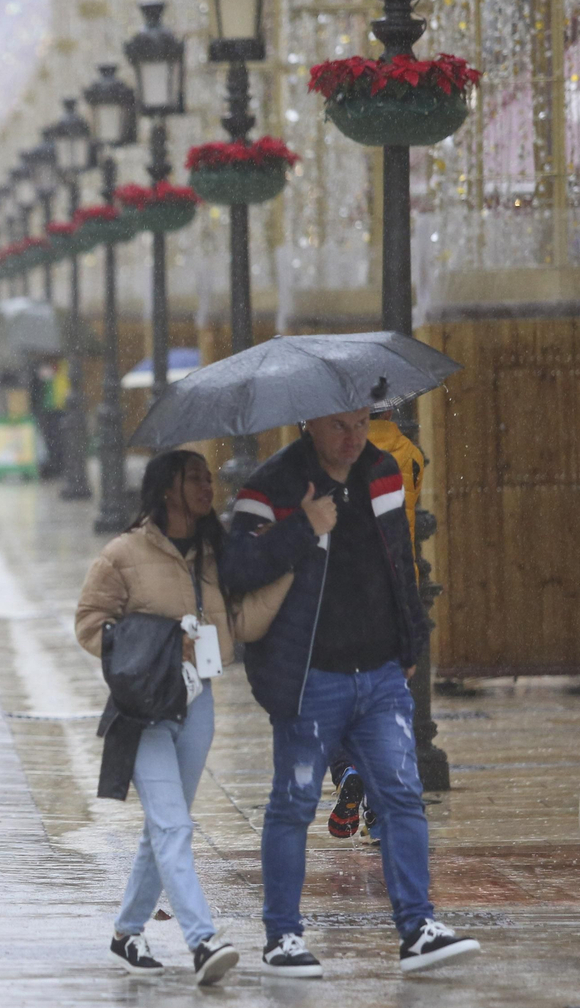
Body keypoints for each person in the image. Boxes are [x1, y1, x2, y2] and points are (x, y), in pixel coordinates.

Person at [221, 408, 481, 977]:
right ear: (309, 422)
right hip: (310, 676)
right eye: (340, 425)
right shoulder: (271, 485)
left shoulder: (382, 471)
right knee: (293, 805)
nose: (354, 436)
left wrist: (411, 642)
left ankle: (418, 928)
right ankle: (283, 937)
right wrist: (303, 526)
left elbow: (401, 559)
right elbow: (235, 568)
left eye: (361, 422)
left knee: (402, 797)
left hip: (381, 673)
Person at [77, 451, 287, 985]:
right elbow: (90, 624)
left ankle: (127, 932)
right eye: (194, 477)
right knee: (173, 825)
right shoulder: (124, 552)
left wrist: (291, 567)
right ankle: (202, 940)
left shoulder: (215, 554)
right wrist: (162, 644)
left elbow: (240, 622)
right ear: (167, 487)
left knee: (163, 828)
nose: (206, 485)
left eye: (208, 477)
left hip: (199, 703)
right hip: (144, 708)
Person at [322, 407, 428, 841]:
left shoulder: (329, 457)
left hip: (336, 596)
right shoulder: (408, 454)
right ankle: (382, 812)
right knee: (387, 706)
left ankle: (348, 769)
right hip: (393, 591)